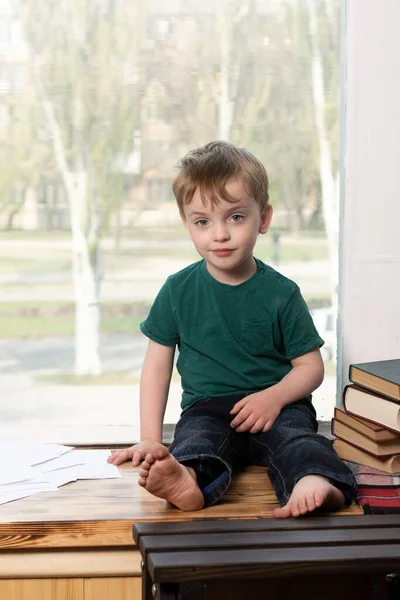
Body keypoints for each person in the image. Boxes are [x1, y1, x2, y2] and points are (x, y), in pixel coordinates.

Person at [108, 141, 357, 517]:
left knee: (298, 439)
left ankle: (315, 480)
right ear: (186, 223)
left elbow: (311, 367)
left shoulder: (282, 293)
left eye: (236, 217)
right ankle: (187, 479)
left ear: (265, 218)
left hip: (277, 405)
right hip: (208, 408)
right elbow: (156, 367)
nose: (219, 234)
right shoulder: (177, 290)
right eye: (203, 221)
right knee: (195, 440)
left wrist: (273, 398)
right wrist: (149, 439)